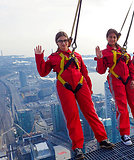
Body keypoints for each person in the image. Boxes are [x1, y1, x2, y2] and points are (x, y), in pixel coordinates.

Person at [34, 31, 114, 159]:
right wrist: (39, 57)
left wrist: (90, 89)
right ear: (57, 43)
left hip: (81, 85)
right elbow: (43, 72)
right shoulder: (53, 57)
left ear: (68, 41)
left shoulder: (77, 55)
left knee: (91, 113)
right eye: (60, 41)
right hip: (64, 87)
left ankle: (103, 139)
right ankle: (77, 147)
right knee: (72, 117)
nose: (64, 43)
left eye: (65, 40)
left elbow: (85, 73)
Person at [95, 29, 134, 146]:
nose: (112, 39)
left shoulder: (123, 52)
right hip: (116, 80)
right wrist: (100, 59)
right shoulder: (105, 52)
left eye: (114, 37)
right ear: (107, 38)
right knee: (122, 106)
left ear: (117, 39)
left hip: (128, 80)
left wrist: (133, 79)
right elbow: (101, 71)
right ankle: (124, 134)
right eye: (110, 37)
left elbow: (131, 66)